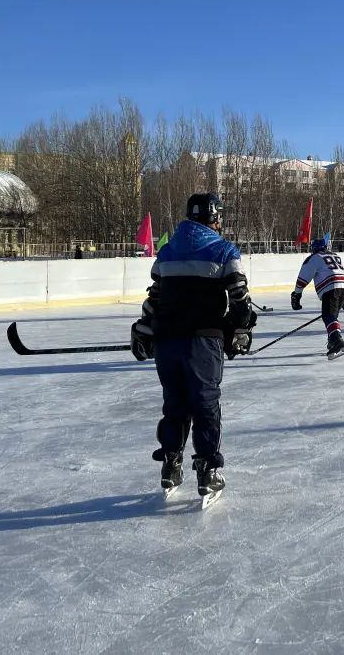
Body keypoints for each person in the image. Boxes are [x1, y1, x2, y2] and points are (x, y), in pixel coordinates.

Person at [140, 193, 256, 498]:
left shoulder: (167, 251)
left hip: (167, 341)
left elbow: (154, 297)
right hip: (203, 341)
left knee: (174, 404)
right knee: (205, 405)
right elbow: (240, 300)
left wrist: (142, 329)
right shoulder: (223, 250)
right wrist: (240, 331)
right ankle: (207, 471)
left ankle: (171, 464)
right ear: (214, 218)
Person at [292, 237, 344, 359]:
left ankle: (337, 340)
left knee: (328, 316)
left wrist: (296, 296)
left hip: (331, 288)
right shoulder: (336, 256)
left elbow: (302, 280)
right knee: (332, 316)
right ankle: (332, 340)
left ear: (313, 248)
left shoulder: (314, 258)